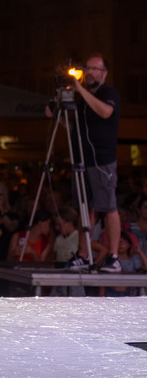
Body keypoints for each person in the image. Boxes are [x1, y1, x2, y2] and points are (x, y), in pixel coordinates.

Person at [65, 54, 121, 273]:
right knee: (85, 208)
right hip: (83, 159)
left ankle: (114, 257)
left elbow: (106, 112)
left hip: (102, 160)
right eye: (86, 68)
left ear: (104, 73)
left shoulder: (109, 93)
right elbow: (76, 129)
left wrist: (80, 90)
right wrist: (58, 113)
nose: (89, 72)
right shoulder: (83, 100)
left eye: (94, 69)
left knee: (108, 207)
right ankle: (83, 254)